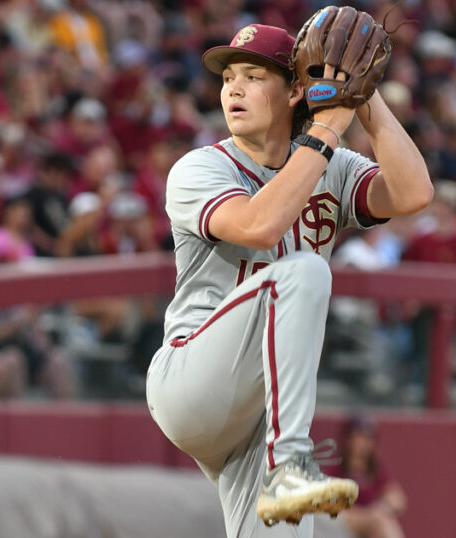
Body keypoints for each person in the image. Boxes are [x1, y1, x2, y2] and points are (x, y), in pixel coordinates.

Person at [145, 21, 433, 538]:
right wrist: (327, 129)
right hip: (192, 378)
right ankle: (290, 466)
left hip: (258, 416)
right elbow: (258, 226)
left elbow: (412, 193)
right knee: (302, 270)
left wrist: (365, 98)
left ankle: (286, 469)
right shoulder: (199, 168)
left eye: (253, 75)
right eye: (228, 76)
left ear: (296, 88)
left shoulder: (333, 165)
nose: (232, 87)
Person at [332, 414, 406, 538]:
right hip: (344, 528)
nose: (363, 443)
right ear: (348, 439)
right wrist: (370, 515)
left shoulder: (375, 470)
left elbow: (398, 500)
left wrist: (381, 508)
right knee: (379, 521)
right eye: (359, 437)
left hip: (372, 525)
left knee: (383, 522)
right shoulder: (336, 469)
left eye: (368, 438)